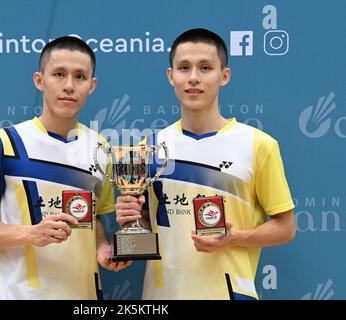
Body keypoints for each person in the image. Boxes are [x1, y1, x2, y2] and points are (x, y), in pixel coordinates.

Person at [115, 28, 296, 300]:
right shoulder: (147, 148)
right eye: (184, 67)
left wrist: (233, 238)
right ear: (170, 76)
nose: (193, 78)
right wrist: (130, 219)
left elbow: (286, 228)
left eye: (205, 68)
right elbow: (144, 233)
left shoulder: (258, 144)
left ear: (224, 76)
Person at [0, 36, 131, 300]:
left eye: (80, 76)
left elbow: (94, 220)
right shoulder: (4, 143)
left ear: (92, 85)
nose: (68, 85)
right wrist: (30, 233)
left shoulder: (100, 148)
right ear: (39, 80)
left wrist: (101, 247)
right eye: (59, 74)